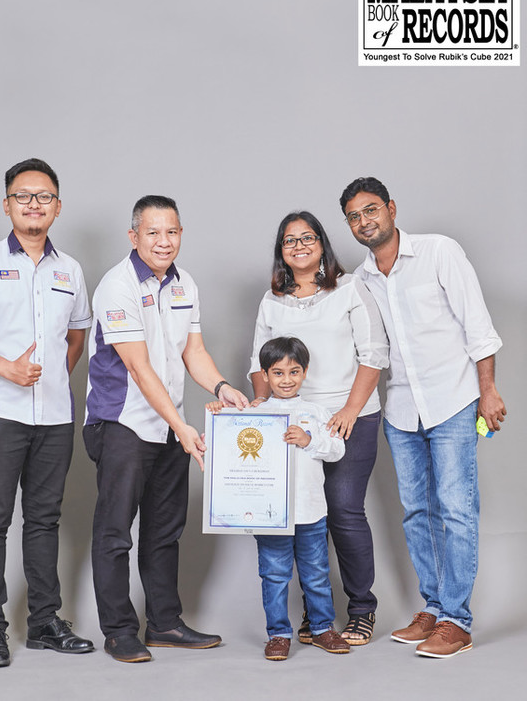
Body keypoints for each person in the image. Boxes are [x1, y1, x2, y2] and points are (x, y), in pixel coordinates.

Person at [340, 176, 506, 659]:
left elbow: (477, 325)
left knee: (456, 508)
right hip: (402, 408)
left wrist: (488, 390)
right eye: (354, 216)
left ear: (391, 208)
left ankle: (457, 620)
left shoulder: (439, 252)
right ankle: (433, 607)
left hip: (454, 400)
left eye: (371, 210)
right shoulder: (361, 278)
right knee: (417, 511)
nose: (364, 221)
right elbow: (371, 348)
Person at [83, 195, 249, 663]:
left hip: (169, 426)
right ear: (134, 237)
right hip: (121, 425)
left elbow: (192, 352)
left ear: (181, 235)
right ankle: (118, 631)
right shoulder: (117, 286)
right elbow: (137, 366)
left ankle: (165, 623)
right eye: (153, 232)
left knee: (163, 531)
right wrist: (181, 426)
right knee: (115, 533)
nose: (163, 241)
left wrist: (222, 385)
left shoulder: (184, 284)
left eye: (172, 232)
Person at [0, 158, 94, 668]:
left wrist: (53, 375)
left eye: (44, 196)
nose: (35, 204)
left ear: (58, 206)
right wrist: (7, 370)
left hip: (54, 417)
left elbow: (77, 338)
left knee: (44, 520)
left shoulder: (70, 270)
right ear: (7, 204)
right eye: (24, 196)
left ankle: (44, 623)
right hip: (0, 413)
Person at [249, 212, 389, 646]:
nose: (299, 245)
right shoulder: (273, 299)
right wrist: (262, 407)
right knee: (300, 511)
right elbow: (258, 364)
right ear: (281, 252)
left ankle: (361, 609)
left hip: (350, 415)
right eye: (289, 241)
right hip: (291, 420)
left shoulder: (349, 289)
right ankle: (316, 614)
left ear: (322, 244)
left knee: (343, 511)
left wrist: (349, 409)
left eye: (307, 237)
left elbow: (374, 353)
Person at [209, 336, 349, 660]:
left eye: (294, 372)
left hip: (311, 513)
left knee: (316, 574)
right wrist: (220, 414)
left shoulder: (316, 412)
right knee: (274, 575)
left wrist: (309, 439)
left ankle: (322, 629)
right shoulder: (257, 411)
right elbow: (228, 440)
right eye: (278, 373)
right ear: (264, 375)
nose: (286, 380)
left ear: (305, 373)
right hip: (270, 515)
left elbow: (337, 449)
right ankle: (278, 634)